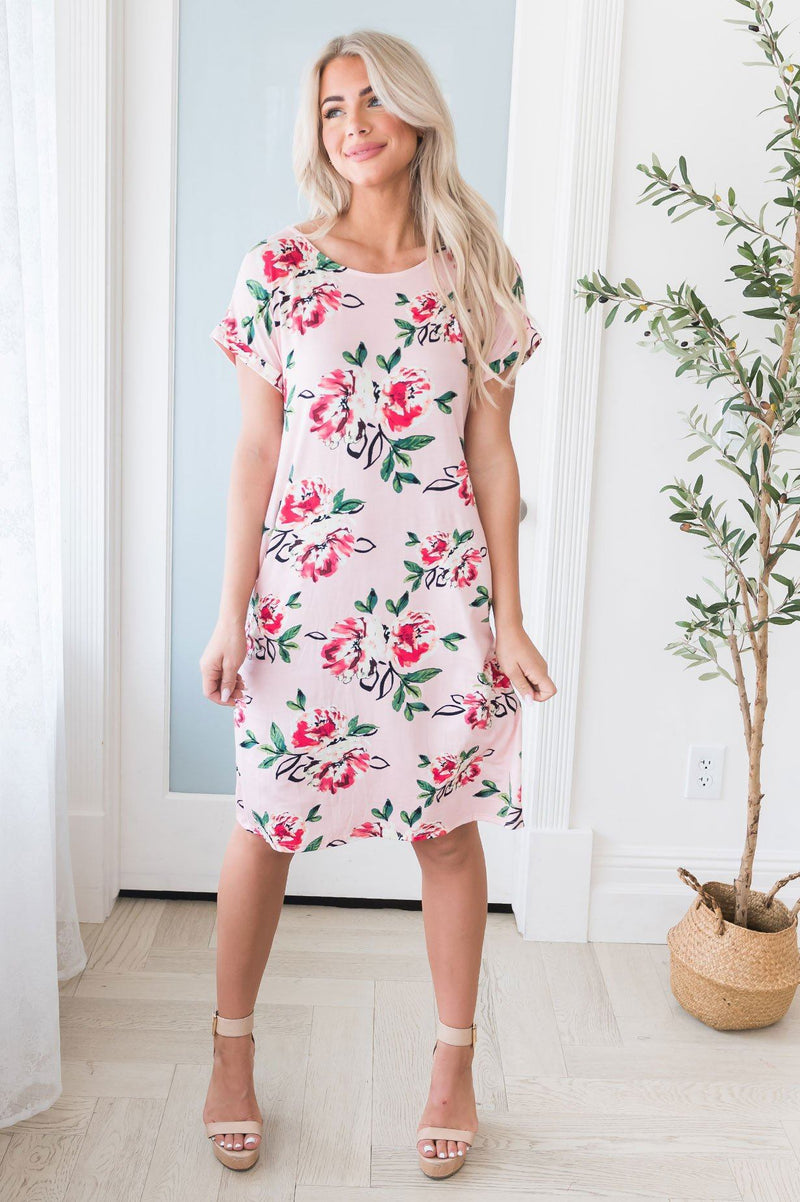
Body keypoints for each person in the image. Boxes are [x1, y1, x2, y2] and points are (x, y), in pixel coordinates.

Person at [199, 28, 556, 1180]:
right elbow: (255, 455)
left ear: (414, 114)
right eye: (330, 107)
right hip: (303, 605)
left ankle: (452, 1066)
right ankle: (230, 1048)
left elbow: (491, 456)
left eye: (369, 101)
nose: (350, 124)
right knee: (265, 823)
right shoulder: (277, 272)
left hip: (437, 598)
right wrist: (230, 612)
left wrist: (508, 617)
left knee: (443, 830)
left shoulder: (477, 269)